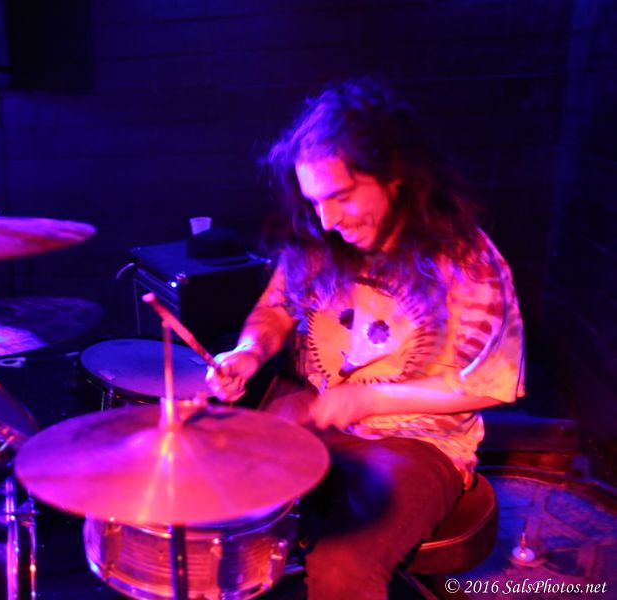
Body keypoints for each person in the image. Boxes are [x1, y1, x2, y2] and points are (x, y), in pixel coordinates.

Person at [206, 78, 525, 599]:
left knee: (343, 563)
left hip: (419, 440)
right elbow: (275, 310)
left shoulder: (463, 258)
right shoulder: (315, 240)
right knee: (210, 495)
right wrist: (248, 351)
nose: (327, 220)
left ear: (395, 176)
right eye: (315, 202)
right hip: (312, 411)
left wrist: (369, 399)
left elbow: (491, 384)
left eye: (341, 196)